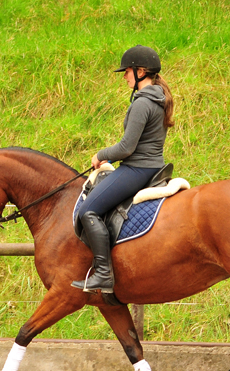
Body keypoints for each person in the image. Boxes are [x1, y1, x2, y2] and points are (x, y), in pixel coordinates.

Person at [72, 45, 175, 293]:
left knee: (88, 211)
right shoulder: (158, 98)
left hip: (137, 169)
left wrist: (101, 155)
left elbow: (127, 147)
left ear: (141, 72)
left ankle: (103, 274)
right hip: (154, 167)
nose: (124, 75)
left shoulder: (142, 103)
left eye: (127, 71)